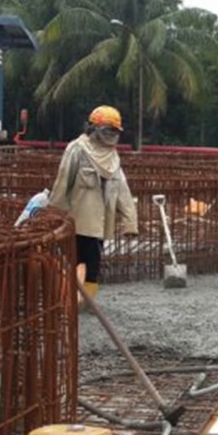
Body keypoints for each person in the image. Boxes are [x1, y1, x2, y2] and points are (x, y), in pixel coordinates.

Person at [49, 106, 139, 308]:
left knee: (93, 265)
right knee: (70, 262)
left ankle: (85, 304)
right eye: (107, 131)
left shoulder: (113, 157)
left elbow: (122, 190)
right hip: (76, 221)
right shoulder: (77, 149)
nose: (111, 136)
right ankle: (67, 299)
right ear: (94, 129)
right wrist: (54, 213)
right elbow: (62, 182)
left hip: (99, 224)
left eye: (114, 132)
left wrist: (129, 223)